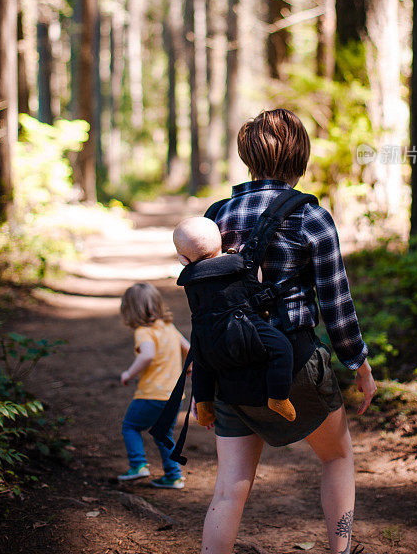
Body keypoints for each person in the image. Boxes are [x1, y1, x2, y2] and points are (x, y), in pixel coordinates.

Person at [199, 108, 377, 554]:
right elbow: (336, 304)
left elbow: (208, 302)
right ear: (300, 158)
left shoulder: (216, 216)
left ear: (248, 156)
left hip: (230, 367)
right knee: (336, 456)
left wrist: (202, 370)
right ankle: (340, 550)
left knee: (229, 488)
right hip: (293, 362)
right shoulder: (310, 217)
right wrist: (358, 363)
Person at [172, 215, 297, 424]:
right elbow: (256, 282)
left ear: (183, 260)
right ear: (221, 244)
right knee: (282, 347)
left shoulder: (189, 279)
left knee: (201, 363)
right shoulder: (238, 265)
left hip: (207, 336)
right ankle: (278, 396)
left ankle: (203, 405)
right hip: (243, 328)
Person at [118, 281, 190, 489]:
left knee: (130, 426)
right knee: (163, 434)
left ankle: (138, 464)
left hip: (152, 394)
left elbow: (147, 355)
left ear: (130, 310)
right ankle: (173, 476)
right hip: (174, 396)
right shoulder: (168, 327)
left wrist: (129, 373)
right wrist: (189, 366)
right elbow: (188, 348)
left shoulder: (143, 331)